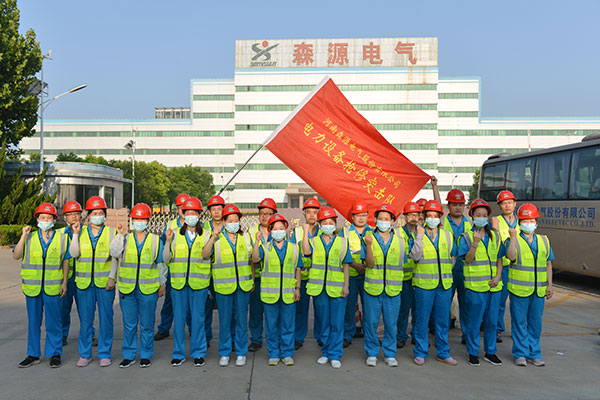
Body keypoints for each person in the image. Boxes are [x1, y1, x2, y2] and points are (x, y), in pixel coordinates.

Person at [13, 203, 69, 368]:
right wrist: (23, 235)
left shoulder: (61, 238)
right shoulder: (29, 237)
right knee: (33, 321)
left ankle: (55, 354)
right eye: (42, 217)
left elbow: (65, 261)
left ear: (53, 220)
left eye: (49, 217)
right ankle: (33, 354)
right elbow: (16, 255)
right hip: (33, 288)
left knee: (54, 322)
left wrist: (65, 282)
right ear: (37, 219)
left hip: (53, 287)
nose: (45, 220)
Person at [110, 203, 167, 368]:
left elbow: (161, 264)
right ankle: (128, 355)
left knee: (147, 324)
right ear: (132, 220)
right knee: (129, 325)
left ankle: (145, 354)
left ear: (148, 221)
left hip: (148, 289)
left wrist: (162, 284)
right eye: (136, 219)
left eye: (142, 219)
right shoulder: (125, 239)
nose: (139, 221)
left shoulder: (155, 240)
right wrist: (119, 235)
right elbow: (114, 253)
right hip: (128, 289)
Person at [202, 204, 253, 367]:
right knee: (224, 321)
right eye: (229, 220)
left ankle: (241, 352)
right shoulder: (215, 237)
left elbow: (253, 259)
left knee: (241, 321)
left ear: (240, 222)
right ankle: (224, 352)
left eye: (236, 220)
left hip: (243, 286)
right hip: (224, 287)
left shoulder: (245, 237)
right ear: (224, 221)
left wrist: (251, 279)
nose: (233, 223)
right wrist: (212, 237)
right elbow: (204, 254)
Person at [68, 196, 117, 367]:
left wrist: (112, 277)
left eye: (100, 213)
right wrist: (74, 235)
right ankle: (85, 354)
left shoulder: (112, 232)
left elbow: (115, 258)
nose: (98, 216)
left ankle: (104, 353)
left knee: (106, 319)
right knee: (86, 321)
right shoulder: (79, 232)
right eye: (94, 213)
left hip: (105, 284)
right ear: (88, 215)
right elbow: (74, 254)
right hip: (84, 284)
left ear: (105, 215)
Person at [163, 197, 211, 367]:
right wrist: (168, 241)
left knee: (198, 320)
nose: (191, 216)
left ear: (199, 214)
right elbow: (166, 259)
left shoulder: (206, 234)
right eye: (188, 213)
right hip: (178, 284)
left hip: (199, 284)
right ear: (183, 214)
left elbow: (208, 255)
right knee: (179, 319)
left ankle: (198, 353)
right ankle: (178, 353)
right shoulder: (174, 233)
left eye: (194, 213)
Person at [505, 203, 554, 367]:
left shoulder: (544, 240)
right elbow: (510, 257)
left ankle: (534, 353)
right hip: (519, 290)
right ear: (519, 222)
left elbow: (548, 264)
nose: (529, 223)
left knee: (535, 323)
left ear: (536, 221)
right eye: (525, 220)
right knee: (519, 322)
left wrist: (550, 285)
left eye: (531, 219)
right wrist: (512, 238)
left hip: (538, 291)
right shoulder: (513, 240)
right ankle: (520, 353)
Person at [303, 206, 352, 369]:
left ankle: (336, 354)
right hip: (319, 289)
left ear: (335, 224)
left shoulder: (343, 242)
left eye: (331, 222)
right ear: (319, 224)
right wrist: (305, 232)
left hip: (337, 289)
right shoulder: (314, 241)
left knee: (337, 323)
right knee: (323, 322)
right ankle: (325, 352)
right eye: (324, 222)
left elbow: (346, 266)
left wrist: (346, 286)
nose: (328, 225)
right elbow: (305, 251)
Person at [457, 199, 504, 366]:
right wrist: (475, 244)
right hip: (475, 287)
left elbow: (500, 259)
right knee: (474, 322)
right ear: (472, 217)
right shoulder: (467, 237)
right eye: (478, 215)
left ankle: (490, 352)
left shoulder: (495, 236)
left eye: (484, 215)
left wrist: (498, 276)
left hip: (494, 286)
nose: (482, 218)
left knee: (492, 321)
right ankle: (472, 352)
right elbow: (467, 260)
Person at [362, 204, 410, 367]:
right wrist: (368, 246)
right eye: (380, 219)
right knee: (371, 323)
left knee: (391, 323)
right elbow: (369, 264)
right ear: (375, 221)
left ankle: (390, 353)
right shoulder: (368, 238)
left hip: (393, 289)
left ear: (392, 221)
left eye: (386, 219)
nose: (383, 221)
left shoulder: (401, 241)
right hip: (372, 289)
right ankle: (372, 353)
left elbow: (402, 264)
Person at [251, 214, 302, 366]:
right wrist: (256, 242)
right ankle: (273, 353)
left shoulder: (294, 248)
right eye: (275, 228)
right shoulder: (264, 248)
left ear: (286, 230)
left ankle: (287, 353)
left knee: (288, 325)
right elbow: (254, 260)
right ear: (270, 230)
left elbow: (297, 269)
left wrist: (297, 288)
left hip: (288, 293)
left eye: (281, 228)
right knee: (271, 326)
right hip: (270, 293)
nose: (279, 231)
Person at [412, 200, 458, 366]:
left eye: (435, 216)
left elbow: (452, 257)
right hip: (424, 285)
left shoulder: (447, 235)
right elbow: (415, 256)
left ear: (440, 217)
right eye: (429, 216)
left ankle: (443, 352)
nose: (432, 219)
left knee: (442, 321)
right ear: (424, 217)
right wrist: (419, 236)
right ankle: (420, 351)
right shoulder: (417, 235)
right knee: (422, 320)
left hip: (444, 285)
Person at [57, 200, 94, 346]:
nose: (73, 217)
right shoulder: (58, 234)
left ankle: (90, 334)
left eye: (76, 214)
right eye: (70, 214)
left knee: (85, 311)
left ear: (81, 216)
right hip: (64, 279)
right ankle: (61, 336)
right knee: (63, 311)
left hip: (82, 278)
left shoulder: (88, 233)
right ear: (64, 216)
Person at [155, 193, 190, 341]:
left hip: (190, 270)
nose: (182, 209)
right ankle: (164, 328)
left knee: (190, 304)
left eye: (185, 206)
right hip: (173, 270)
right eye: (180, 206)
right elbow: (164, 246)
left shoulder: (195, 223)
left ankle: (192, 329)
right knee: (169, 301)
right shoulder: (171, 224)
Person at [289, 197, 322, 349]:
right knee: (300, 310)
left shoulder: (323, 231)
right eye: (309, 212)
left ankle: (321, 336)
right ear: (304, 213)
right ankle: (298, 337)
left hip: (318, 276)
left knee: (320, 309)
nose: (312, 215)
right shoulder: (295, 232)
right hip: (300, 276)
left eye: (315, 212)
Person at [246, 198, 277, 352]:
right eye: (262, 213)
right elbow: (250, 256)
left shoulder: (279, 231)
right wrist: (251, 279)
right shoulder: (251, 231)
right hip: (257, 278)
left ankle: (275, 339)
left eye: (268, 213)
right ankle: (256, 339)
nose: (265, 217)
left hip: (274, 279)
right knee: (256, 311)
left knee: (273, 312)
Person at [340, 200, 371, 348]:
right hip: (351, 275)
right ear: (352, 217)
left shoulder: (373, 231)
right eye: (357, 215)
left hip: (369, 276)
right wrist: (355, 265)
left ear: (367, 215)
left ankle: (369, 335)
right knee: (349, 307)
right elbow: (341, 252)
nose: (360, 218)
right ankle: (347, 335)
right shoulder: (345, 232)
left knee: (369, 307)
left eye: (363, 215)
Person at [443, 188, 472, 344]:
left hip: (466, 269)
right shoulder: (442, 223)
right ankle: (442, 337)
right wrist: (435, 187)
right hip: (447, 269)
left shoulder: (470, 224)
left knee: (466, 304)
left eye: (461, 204)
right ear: (448, 206)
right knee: (443, 304)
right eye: (454, 204)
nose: (458, 207)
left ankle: (466, 335)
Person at [490, 190, 519, 343]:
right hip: (503, 266)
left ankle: (518, 331)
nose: (507, 205)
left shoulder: (523, 221)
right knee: (499, 302)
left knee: (518, 302)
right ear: (499, 206)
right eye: (504, 203)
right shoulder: (496, 221)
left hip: (519, 268)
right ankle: (497, 329)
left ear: (515, 204)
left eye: (510, 202)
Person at [203, 194, 227, 347]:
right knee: (205, 310)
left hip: (225, 275)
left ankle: (229, 339)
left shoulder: (231, 227)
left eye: (220, 209)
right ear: (209, 211)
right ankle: (205, 338)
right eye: (214, 209)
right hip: (207, 274)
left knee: (227, 311)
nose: (217, 212)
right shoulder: (203, 228)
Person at [396, 202, 421, 348]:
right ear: (405, 216)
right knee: (403, 310)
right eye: (410, 214)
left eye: (416, 215)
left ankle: (416, 336)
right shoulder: (398, 233)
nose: (413, 217)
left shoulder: (423, 233)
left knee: (418, 311)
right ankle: (400, 336)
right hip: (403, 279)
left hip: (419, 278)